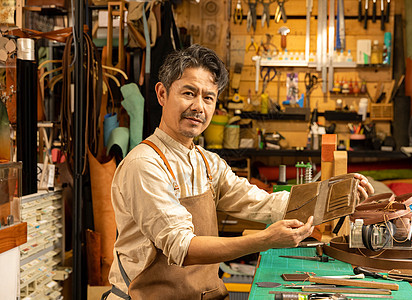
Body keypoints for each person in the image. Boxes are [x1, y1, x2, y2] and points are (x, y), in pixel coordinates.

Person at [105, 44, 374, 300]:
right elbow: (183, 247)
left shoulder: (206, 163)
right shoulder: (145, 164)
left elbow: (263, 204)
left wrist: (335, 197)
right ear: (162, 94)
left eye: (208, 97)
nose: (199, 106)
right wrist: (265, 239)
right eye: (189, 93)